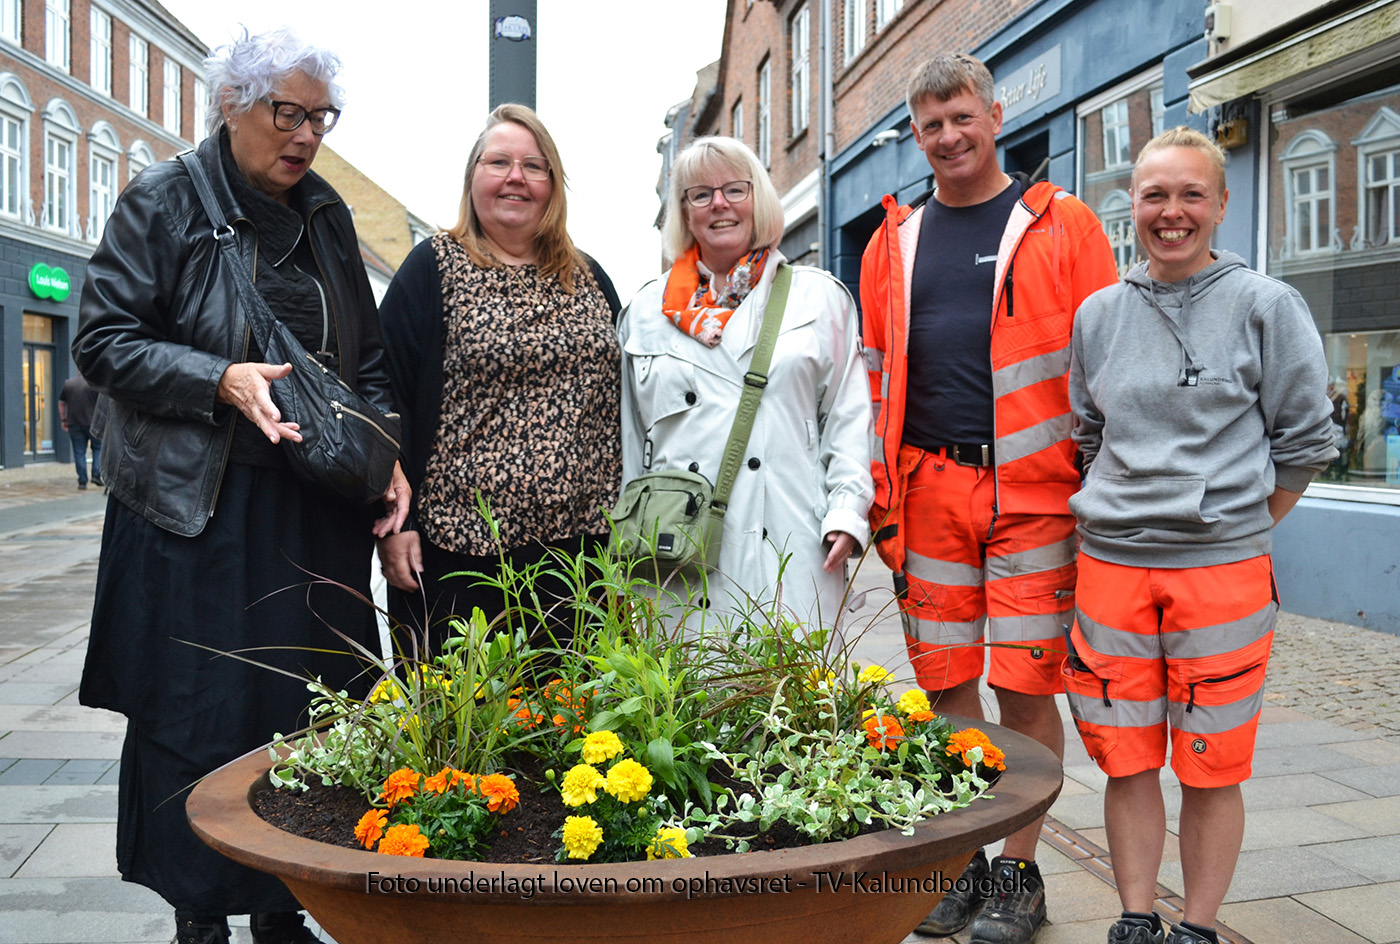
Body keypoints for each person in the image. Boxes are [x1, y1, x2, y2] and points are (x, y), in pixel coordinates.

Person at [72, 30, 409, 944]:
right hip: (198, 510)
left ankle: (282, 900)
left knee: (306, 713)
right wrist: (221, 378)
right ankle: (201, 908)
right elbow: (100, 341)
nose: (304, 135)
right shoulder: (165, 200)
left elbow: (369, 365)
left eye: (319, 117)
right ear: (232, 106)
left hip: (310, 512)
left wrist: (386, 460)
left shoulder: (329, 214)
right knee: (198, 713)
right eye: (285, 113)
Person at [860, 53, 1118, 943]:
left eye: (961, 117)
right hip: (928, 488)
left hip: (1038, 495)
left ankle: (1020, 872)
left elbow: (1105, 362)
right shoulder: (890, 242)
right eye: (930, 125)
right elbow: (877, 376)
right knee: (945, 682)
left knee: (1024, 681)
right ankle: (963, 861)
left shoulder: (1063, 223)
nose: (948, 137)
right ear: (918, 136)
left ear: (995, 115)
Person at [1064, 127, 1337, 944]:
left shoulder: (1265, 305)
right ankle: (1137, 917)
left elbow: (1307, 440)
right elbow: (1087, 432)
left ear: (1220, 204)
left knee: (1213, 763)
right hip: (1111, 571)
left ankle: (1199, 927)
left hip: (1222, 575)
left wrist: (1239, 523)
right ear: (1132, 208)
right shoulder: (1099, 314)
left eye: (1191, 194)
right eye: (1155, 195)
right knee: (1126, 757)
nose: (1171, 212)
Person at [376, 103, 622, 653]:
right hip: (456, 558)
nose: (517, 177)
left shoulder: (590, 278)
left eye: (535, 166)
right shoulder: (432, 268)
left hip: (578, 560)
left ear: (554, 185)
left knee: (574, 723)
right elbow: (384, 398)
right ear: (473, 179)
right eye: (500, 162)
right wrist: (395, 526)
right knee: (463, 728)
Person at [619, 136, 872, 633]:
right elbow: (632, 442)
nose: (719, 204)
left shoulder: (818, 298)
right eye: (700, 194)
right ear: (684, 212)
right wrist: (626, 547)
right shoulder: (645, 312)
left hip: (791, 542)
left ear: (759, 200)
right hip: (678, 556)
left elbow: (847, 416)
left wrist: (847, 510)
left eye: (735, 189)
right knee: (684, 703)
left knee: (793, 699)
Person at [58, 373, 101, 489]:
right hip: (93, 422)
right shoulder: (95, 384)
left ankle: (82, 481)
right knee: (97, 449)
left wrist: (63, 420)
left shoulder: (69, 384)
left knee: (79, 452)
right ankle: (96, 474)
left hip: (74, 423)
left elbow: (61, 403)